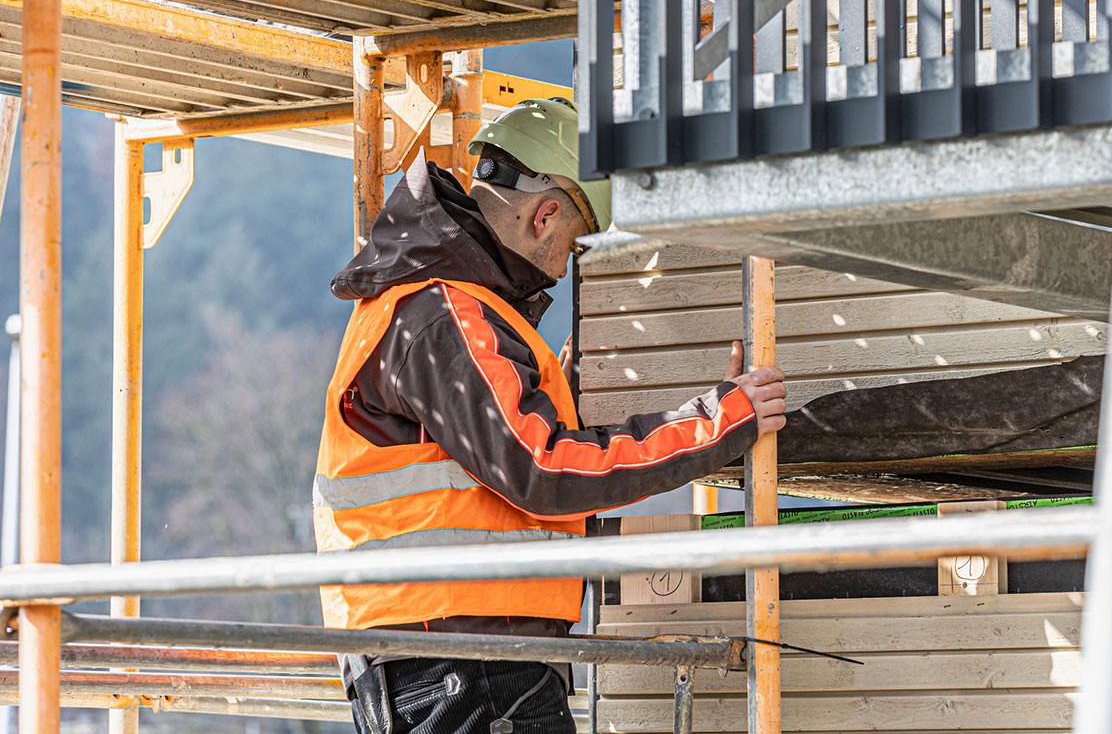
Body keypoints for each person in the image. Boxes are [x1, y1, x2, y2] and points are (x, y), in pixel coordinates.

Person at [313, 97, 787, 734]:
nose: (566, 268)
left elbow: (480, 460)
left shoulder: (439, 304)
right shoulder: (445, 312)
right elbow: (541, 467)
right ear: (544, 215)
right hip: (467, 660)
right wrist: (715, 424)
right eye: (574, 244)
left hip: (446, 656)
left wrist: (552, 384)